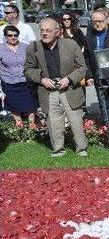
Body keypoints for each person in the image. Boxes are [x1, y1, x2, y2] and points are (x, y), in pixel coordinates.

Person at [24, 18, 88, 157]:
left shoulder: (71, 45)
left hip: (69, 89)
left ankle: (81, 149)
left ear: (57, 32)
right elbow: (28, 69)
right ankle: (58, 149)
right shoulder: (33, 47)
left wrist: (69, 79)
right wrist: (42, 79)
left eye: (48, 30)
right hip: (48, 91)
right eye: (42, 30)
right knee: (53, 122)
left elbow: (82, 67)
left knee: (75, 121)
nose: (44, 33)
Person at [0, 26, 38, 124]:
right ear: (5, 36)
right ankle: (19, 126)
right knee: (14, 107)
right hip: (9, 82)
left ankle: (32, 126)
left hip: (26, 82)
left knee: (31, 105)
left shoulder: (26, 47)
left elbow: (34, 63)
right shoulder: (1, 48)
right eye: (10, 35)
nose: (13, 37)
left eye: (15, 35)